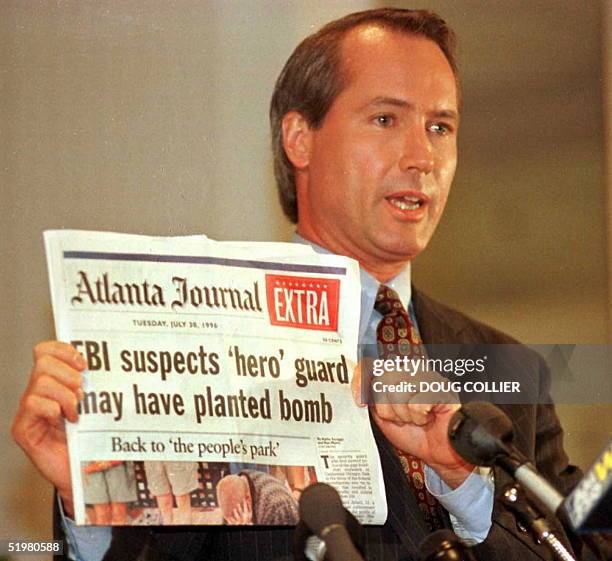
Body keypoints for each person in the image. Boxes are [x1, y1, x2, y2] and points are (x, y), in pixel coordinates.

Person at [12, 7, 583, 561]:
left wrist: (464, 486)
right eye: (386, 119)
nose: (422, 157)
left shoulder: (510, 369)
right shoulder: (192, 344)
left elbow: (581, 549)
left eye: (440, 127)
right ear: (299, 139)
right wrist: (88, 504)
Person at [216, 470, 299, 526]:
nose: (232, 523)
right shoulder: (240, 482)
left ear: (247, 499)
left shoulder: (276, 507)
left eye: (234, 519)